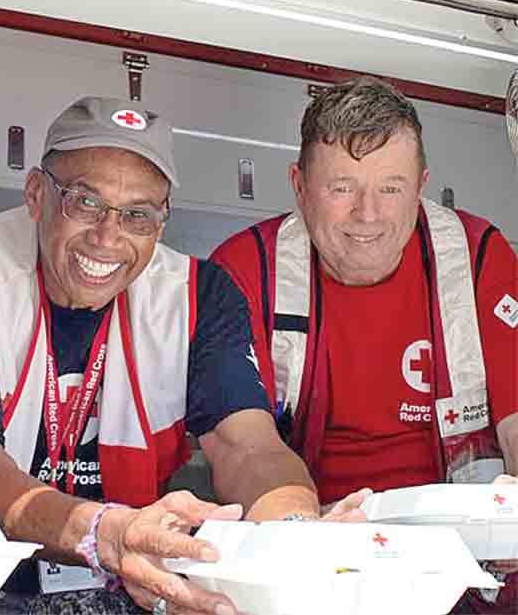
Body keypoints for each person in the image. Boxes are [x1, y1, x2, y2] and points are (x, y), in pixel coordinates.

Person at [0, 97, 366, 615]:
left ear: (162, 222)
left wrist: (294, 530)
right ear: (35, 193)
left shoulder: (198, 294)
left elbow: (247, 445)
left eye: (138, 214)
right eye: (84, 202)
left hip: (128, 578)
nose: (108, 237)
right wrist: (101, 533)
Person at [210, 76, 518, 612]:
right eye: (341, 188)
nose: (368, 215)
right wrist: (302, 539)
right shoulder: (243, 271)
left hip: (468, 566)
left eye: (391, 188)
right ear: (299, 186)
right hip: (315, 554)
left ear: (420, 185)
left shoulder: (477, 257)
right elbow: (244, 446)